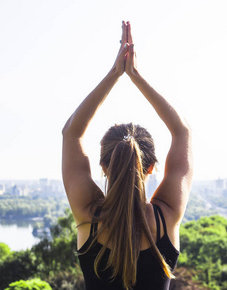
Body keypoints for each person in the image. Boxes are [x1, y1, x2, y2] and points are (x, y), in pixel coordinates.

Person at [61, 21, 193, 290]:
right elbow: (182, 132)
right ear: (152, 167)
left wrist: (114, 73)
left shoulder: (89, 216)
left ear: (103, 166)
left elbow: (71, 134)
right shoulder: (166, 217)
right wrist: (136, 75)